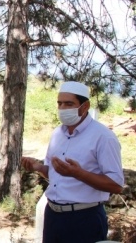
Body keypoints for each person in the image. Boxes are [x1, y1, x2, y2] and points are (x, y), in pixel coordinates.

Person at [21, 81, 124, 243]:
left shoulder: (103, 137)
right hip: (53, 217)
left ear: (85, 106)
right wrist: (38, 167)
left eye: (69, 104)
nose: (62, 109)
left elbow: (116, 185)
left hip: (84, 220)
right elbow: (57, 176)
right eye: (59, 104)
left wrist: (78, 173)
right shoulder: (57, 134)